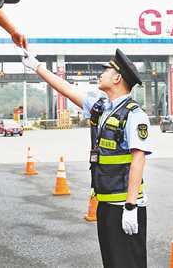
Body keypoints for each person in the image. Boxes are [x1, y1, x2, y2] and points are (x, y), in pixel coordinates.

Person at [21, 48, 152, 268]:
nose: (101, 74)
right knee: (112, 262)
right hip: (106, 202)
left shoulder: (134, 114)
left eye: (106, 71)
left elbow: (138, 159)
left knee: (129, 263)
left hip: (124, 204)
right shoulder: (102, 109)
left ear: (118, 78)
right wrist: (37, 66)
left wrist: (130, 206)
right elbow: (66, 89)